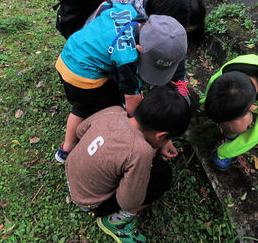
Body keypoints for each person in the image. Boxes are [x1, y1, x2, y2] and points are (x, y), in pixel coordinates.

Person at [54, 6, 187, 163]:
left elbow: (103, 11)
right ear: (139, 49)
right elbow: (132, 103)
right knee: (106, 108)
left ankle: (66, 148)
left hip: (69, 54)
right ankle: (84, 147)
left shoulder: (130, 10)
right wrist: (152, 131)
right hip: (83, 75)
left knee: (82, 106)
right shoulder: (127, 57)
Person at [65, 86, 191, 243]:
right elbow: (128, 202)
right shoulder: (140, 151)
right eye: (167, 138)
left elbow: (80, 131)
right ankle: (115, 222)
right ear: (162, 135)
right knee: (163, 175)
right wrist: (152, 151)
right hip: (90, 202)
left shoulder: (114, 110)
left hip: (72, 174)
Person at [106, 0, 205, 103]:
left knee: (175, 44)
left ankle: (178, 79)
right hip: (121, 43)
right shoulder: (128, 10)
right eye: (183, 30)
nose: (184, 35)